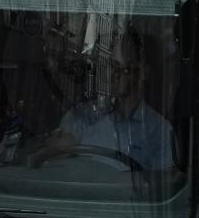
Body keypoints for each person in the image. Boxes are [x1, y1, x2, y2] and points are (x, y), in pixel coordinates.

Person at [44, 41, 176, 171]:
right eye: (113, 66)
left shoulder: (159, 131)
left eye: (125, 68)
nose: (115, 74)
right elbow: (52, 155)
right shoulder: (86, 115)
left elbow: (162, 181)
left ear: (143, 72)